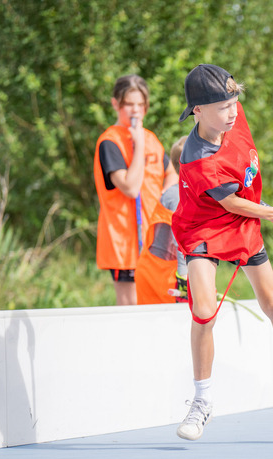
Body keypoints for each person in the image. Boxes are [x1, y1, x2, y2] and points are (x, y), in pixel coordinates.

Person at [170, 64, 273, 441]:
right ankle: (202, 400)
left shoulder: (232, 117)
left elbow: (240, 209)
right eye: (222, 106)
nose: (232, 111)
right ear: (197, 110)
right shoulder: (197, 159)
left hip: (242, 228)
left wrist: (268, 213)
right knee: (204, 312)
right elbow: (231, 203)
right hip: (204, 230)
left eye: (234, 102)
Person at [93, 74, 179, 305]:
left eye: (140, 104)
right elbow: (130, 188)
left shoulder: (152, 139)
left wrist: (164, 196)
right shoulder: (110, 142)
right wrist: (138, 144)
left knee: (154, 302)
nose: (135, 110)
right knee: (131, 310)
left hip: (154, 239)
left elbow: (171, 172)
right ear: (116, 104)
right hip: (124, 241)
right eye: (129, 104)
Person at [161, 135, 189, 302]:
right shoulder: (178, 195)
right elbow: (181, 240)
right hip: (163, 275)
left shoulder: (184, 191)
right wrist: (184, 280)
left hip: (168, 271)